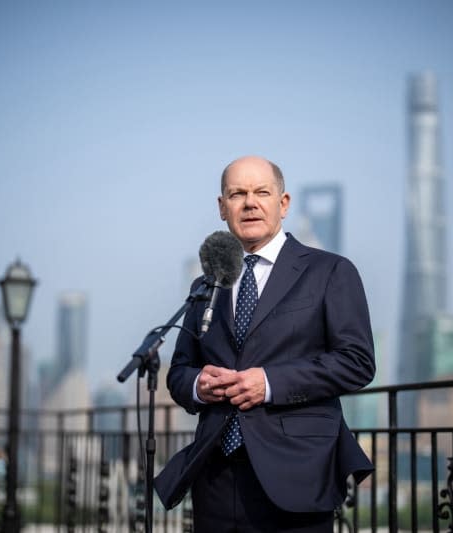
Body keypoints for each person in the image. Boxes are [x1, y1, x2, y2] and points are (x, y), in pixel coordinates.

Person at [154, 155, 375, 532]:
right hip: (216, 476)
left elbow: (357, 362)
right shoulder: (206, 284)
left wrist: (269, 383)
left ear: (283, 204)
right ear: (223, 208)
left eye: (261, 192)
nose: (250, 202)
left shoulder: (330, 271)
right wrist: (198, 386)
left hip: (297, 473)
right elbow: (179, 372)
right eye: (237, 194)